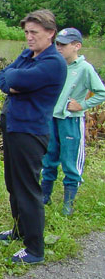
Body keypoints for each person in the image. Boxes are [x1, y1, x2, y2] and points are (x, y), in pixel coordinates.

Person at [0, 10, 67, 264]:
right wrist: (12, 83)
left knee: (27, 188)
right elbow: (4, 76)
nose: (28, 37)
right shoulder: (29, 54)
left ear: (50, 33)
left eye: (34, 32)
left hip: (30, 131)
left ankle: (35, 248)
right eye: (26, 32)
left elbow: (13, 76)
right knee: (13, 184)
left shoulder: (52, 63)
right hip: (14, 127)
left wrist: (13, 80)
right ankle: (19, 230)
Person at [41, 28, 105, 215]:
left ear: (76, 46)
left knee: (70, 162)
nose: (59, 47)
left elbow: (101, 92)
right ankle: (45, 196)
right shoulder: (54, 65)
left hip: (71, 121)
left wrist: (82, 105)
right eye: (57, 43)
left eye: (64, 44)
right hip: (51, 118)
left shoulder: (84, 68)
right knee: (49, 157)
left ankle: (68, 204)